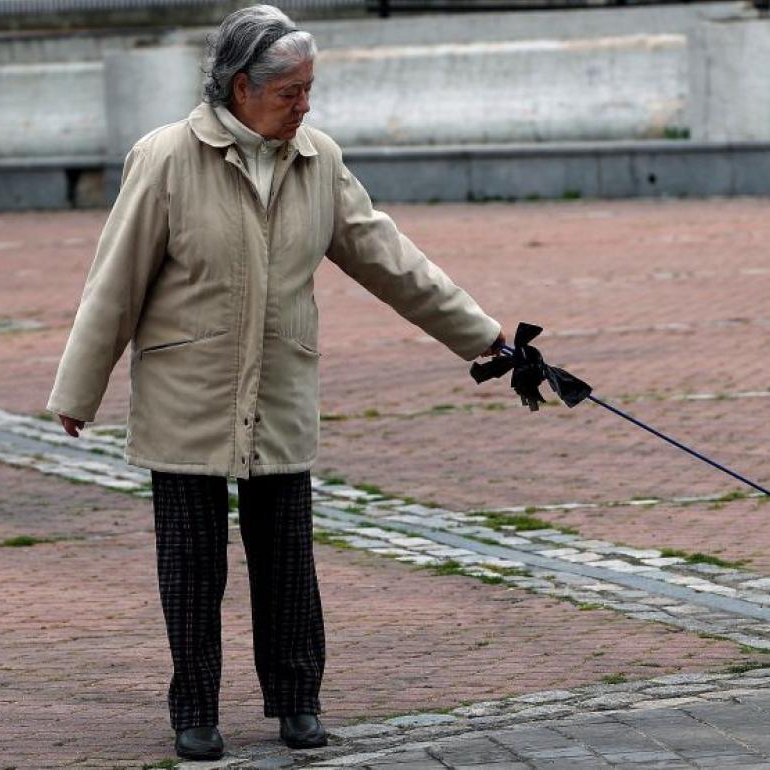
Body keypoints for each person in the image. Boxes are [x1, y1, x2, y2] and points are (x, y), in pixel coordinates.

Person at [47, 5, 504, 761]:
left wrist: (483, 335)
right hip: (185, 395)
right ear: (240, 87)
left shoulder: (318, 159)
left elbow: (389, 258)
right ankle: (194, 711)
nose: (305, 105)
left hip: (283, 391)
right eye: (290, 91)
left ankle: (296, 704)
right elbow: (115, 284)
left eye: (309, 89)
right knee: (193, 568)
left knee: (287, 560)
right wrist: (78, 391)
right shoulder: (165, 158)